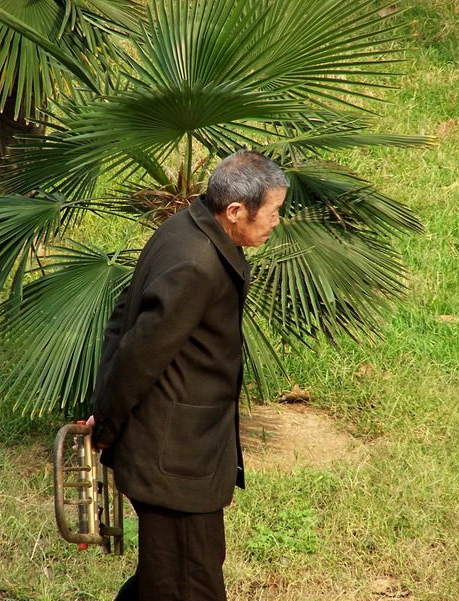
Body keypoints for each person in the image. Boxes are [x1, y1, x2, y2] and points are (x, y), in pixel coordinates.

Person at [88, 150, 288, 601]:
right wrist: (107, 422)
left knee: (165, 579)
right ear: (235, 211)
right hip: (174, 463)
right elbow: (140, 352)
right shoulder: (197, 263)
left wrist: (105, 410)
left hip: (182, 452)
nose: (277, 221)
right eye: (273, 211)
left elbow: (124, 315)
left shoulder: (184, 227)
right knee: (187, 586)